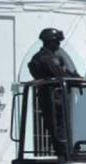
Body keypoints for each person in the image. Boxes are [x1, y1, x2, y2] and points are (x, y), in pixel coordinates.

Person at [27, 28, 79, 156]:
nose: (58, 45)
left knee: (58, 128)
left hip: (53, 98)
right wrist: (74, 77)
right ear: (49, 42)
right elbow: (60, 74)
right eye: (56, 42)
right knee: (59, 129)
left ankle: (63, 152)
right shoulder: (46, 58)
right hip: (54, 99)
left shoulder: (45, 57)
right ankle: (64, 154)